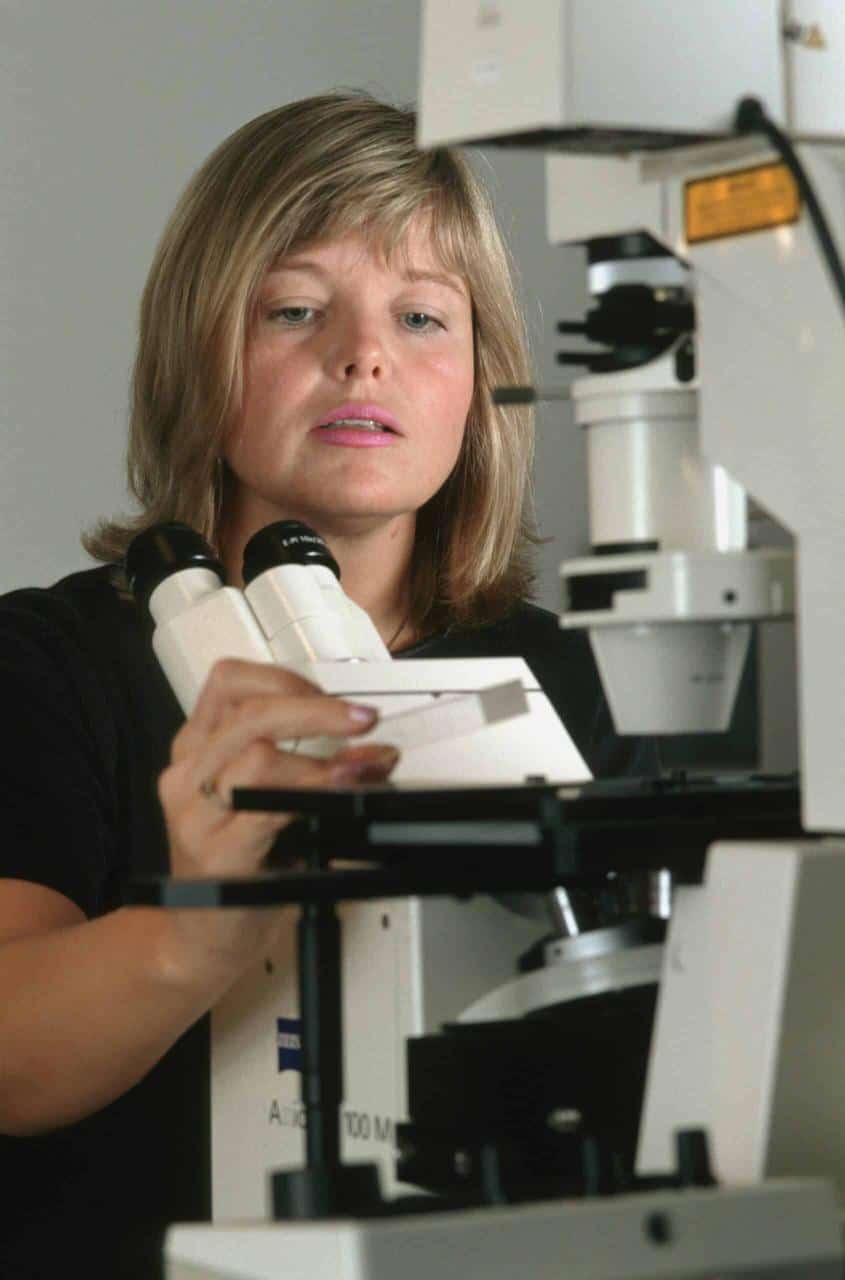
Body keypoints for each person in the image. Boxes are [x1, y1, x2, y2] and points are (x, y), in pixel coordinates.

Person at [0, 92, 653, 1275]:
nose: (361, 353)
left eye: (419, 315)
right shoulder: (47, 666)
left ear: (479, 380)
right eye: (295, 309)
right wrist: (201, 924)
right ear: (197, 349)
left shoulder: (576, 677)